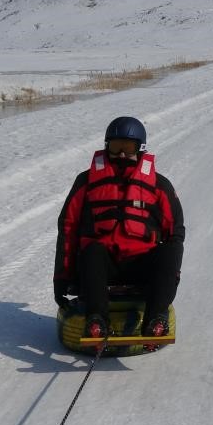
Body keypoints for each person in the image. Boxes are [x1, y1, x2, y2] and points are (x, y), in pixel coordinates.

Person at [53, 116, 185, 339]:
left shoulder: (159, 185)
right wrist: (61, 278)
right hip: (101, 270)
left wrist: (168, 279)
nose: (122, 154)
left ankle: (155, 318)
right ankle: (97, 321)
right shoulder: (85, 183)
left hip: (143, 267)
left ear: (140, 149)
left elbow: (176, 232)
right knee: (92, 250)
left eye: (128, 147)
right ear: (106, 148)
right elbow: (67, 228)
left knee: (169, 250)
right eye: (116, 147)